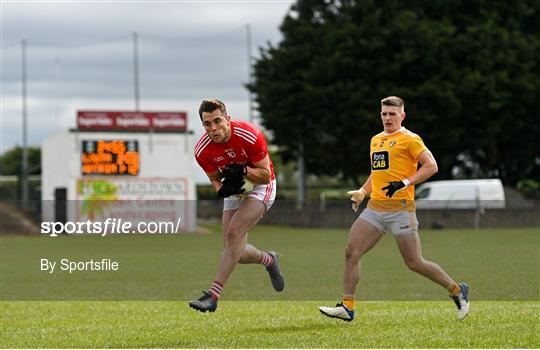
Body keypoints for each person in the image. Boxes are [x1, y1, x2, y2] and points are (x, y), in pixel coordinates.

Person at [319, 96, 469, 321]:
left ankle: (458, 290)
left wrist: (405, 183)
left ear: (402, 115)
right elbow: (377, 173)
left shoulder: (411, 139)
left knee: (414, 263)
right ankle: (347, 306)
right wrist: (362, 191)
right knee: (352, 252)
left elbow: (432, 166)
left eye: (392, 114)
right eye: (384, 113)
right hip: (374, 209)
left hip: (401, 209)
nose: (387, 118)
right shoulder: (376, 140)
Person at [189, 99, 284, 313]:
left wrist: (242, 171)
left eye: (217, 121)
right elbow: (214, 178)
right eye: (207, 124)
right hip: (235, 192)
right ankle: (268, 259)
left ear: (227, 118)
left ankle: (212, 296)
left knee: (234, 233)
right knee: (234, 252)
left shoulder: (250, 134)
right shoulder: (202, 150)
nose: (213, 128)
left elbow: (265, 174)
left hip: (262, 186)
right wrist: (221, 189)